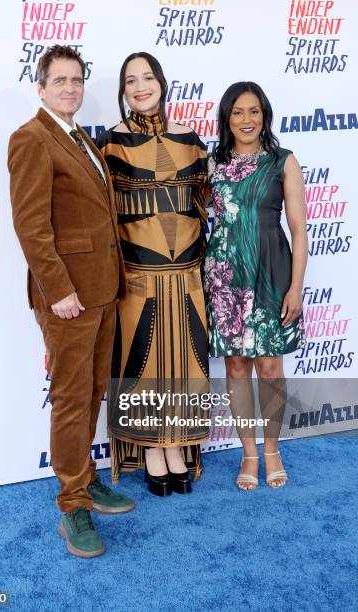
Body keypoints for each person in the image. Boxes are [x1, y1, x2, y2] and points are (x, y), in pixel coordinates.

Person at [8, 45, 135, 558]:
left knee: (92, 392)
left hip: (101, 290)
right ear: (40, 88)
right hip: (68, 298)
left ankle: (84, 478)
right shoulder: (31, 138)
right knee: (69, 399)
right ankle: (71, 505)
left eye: (76, 80)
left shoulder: (80, 137)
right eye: (59, 81)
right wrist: (58, 289)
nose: (69, 88)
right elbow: (31, 226)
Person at [96, 52, 210, 496]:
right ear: (123, 91)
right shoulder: (109, 144)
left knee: (184, 363)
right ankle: (150, 451)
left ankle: (178, 445)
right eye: (131, 80)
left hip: (187, 274)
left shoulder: (191, 139)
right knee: (144, 361)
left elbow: (206, 203)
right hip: (137, 275)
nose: (141, 86)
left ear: (162, 83)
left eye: (148, 77)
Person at [205, 81, 307, 490]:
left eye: (254, 111)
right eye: (237, 113)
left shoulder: (283, 161)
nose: (247, 120)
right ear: (226, 119)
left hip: (270, 273)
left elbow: (299, 230)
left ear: (264, 114)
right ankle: (248, 453)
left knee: (269, 366)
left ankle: (271, 449)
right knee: (236, 366)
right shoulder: (211, 164)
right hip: (226, 274)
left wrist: (296, 287)